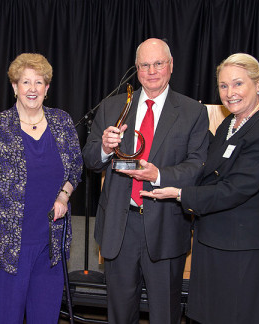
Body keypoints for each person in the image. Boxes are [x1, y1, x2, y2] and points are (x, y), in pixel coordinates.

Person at [141, 53, 259, 323]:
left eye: (237, 84)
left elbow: (236, 189)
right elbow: (215, 162)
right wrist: (189, 120)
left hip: (243, 247)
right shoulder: (231, 124)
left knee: (237, 315)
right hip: (214, 239)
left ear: (258, 83)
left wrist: (181, 194)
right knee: (209, 314)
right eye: (223, 86)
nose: (230, 93)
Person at [82, 38, 209, 323]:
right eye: (144, 65)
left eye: (158, 64)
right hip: (120, 225)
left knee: (165, 313)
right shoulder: (113, 106)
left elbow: (196, 166)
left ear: (171, 66)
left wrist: (159, 175)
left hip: (166, 225)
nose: (151, 71)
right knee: (119, 313)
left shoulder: (192, 112)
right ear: (136, 68)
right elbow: (90, 159)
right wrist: (104, 146)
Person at [0, 53, 83, 323]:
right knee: (7, 318)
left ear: (47, 88)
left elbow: (76, 168)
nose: (32, 89)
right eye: (25, 82)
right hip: (7, 245)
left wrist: (64, 196)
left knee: (45, 318)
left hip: (50, 245)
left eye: (39, 82)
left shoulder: (62, 122)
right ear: (14, 87)